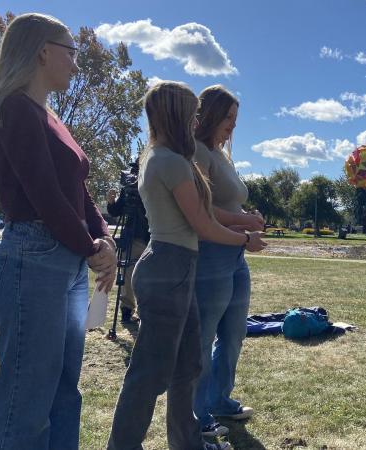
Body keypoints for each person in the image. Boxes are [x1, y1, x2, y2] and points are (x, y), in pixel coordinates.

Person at [0, 13, 117, 449]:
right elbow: (44, 194)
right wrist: (91, 247)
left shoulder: (49, 117)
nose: (76, 64)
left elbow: (78, 192)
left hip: (63, 263)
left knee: (63, 393)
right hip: (31, 262)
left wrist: (104, 238)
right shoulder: (15, 109)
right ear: (42, 51)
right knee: (26, 401)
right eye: (71, 52)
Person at [107, 81, 266, 450]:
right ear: (176, 113)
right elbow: (204, 223)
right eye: (192, 112)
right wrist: (245, 239)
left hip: (176, 265)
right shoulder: (171, 162)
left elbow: (203, 218)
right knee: (149, 372)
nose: (196, 120)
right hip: (169, 266)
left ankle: (188, 441)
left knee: (187, 367)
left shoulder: (164, 157)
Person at [191, 85, 265, 438]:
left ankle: (220, 399)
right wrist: (244, 224)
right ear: (208, 115)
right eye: (227, 117)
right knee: (204, 337)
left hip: (235, 253)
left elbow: (227, 204)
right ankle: (197, 413)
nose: (232, 125)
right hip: (212, 255)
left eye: (236, 119)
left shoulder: (222, 154)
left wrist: (247, 216)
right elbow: (201, 210)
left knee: (234, 333)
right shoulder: (198, 153)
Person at [106, 160, 151, 322]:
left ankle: (142, 310)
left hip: (152, 235)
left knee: (148, 276)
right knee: (128, 273)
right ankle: (127, 310)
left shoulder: (158, 177)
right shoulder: (129, 183)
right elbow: (118, 210)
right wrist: (111, 202)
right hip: (134, 234)